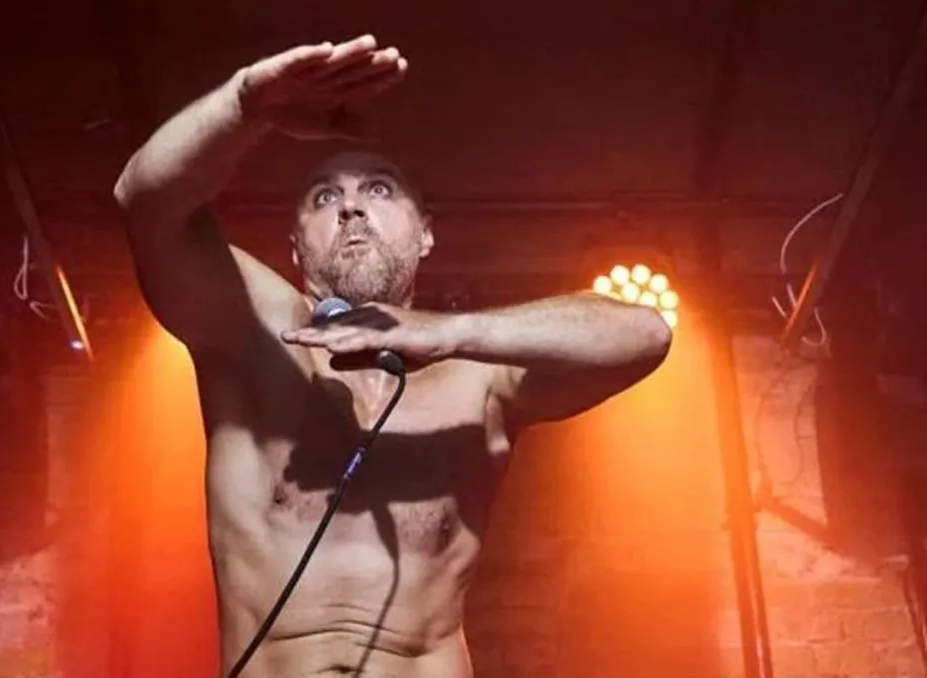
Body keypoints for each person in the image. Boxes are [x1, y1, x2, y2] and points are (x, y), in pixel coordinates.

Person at [114, 34, 672, 678]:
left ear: (425, 233)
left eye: (378, 190)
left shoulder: (478, 373)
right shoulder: (252, 330)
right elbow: (142, 200)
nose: (351, 206)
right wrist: (245, 106)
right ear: (295, 247)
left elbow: (645, 335)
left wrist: (451, 333)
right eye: (324, 197)